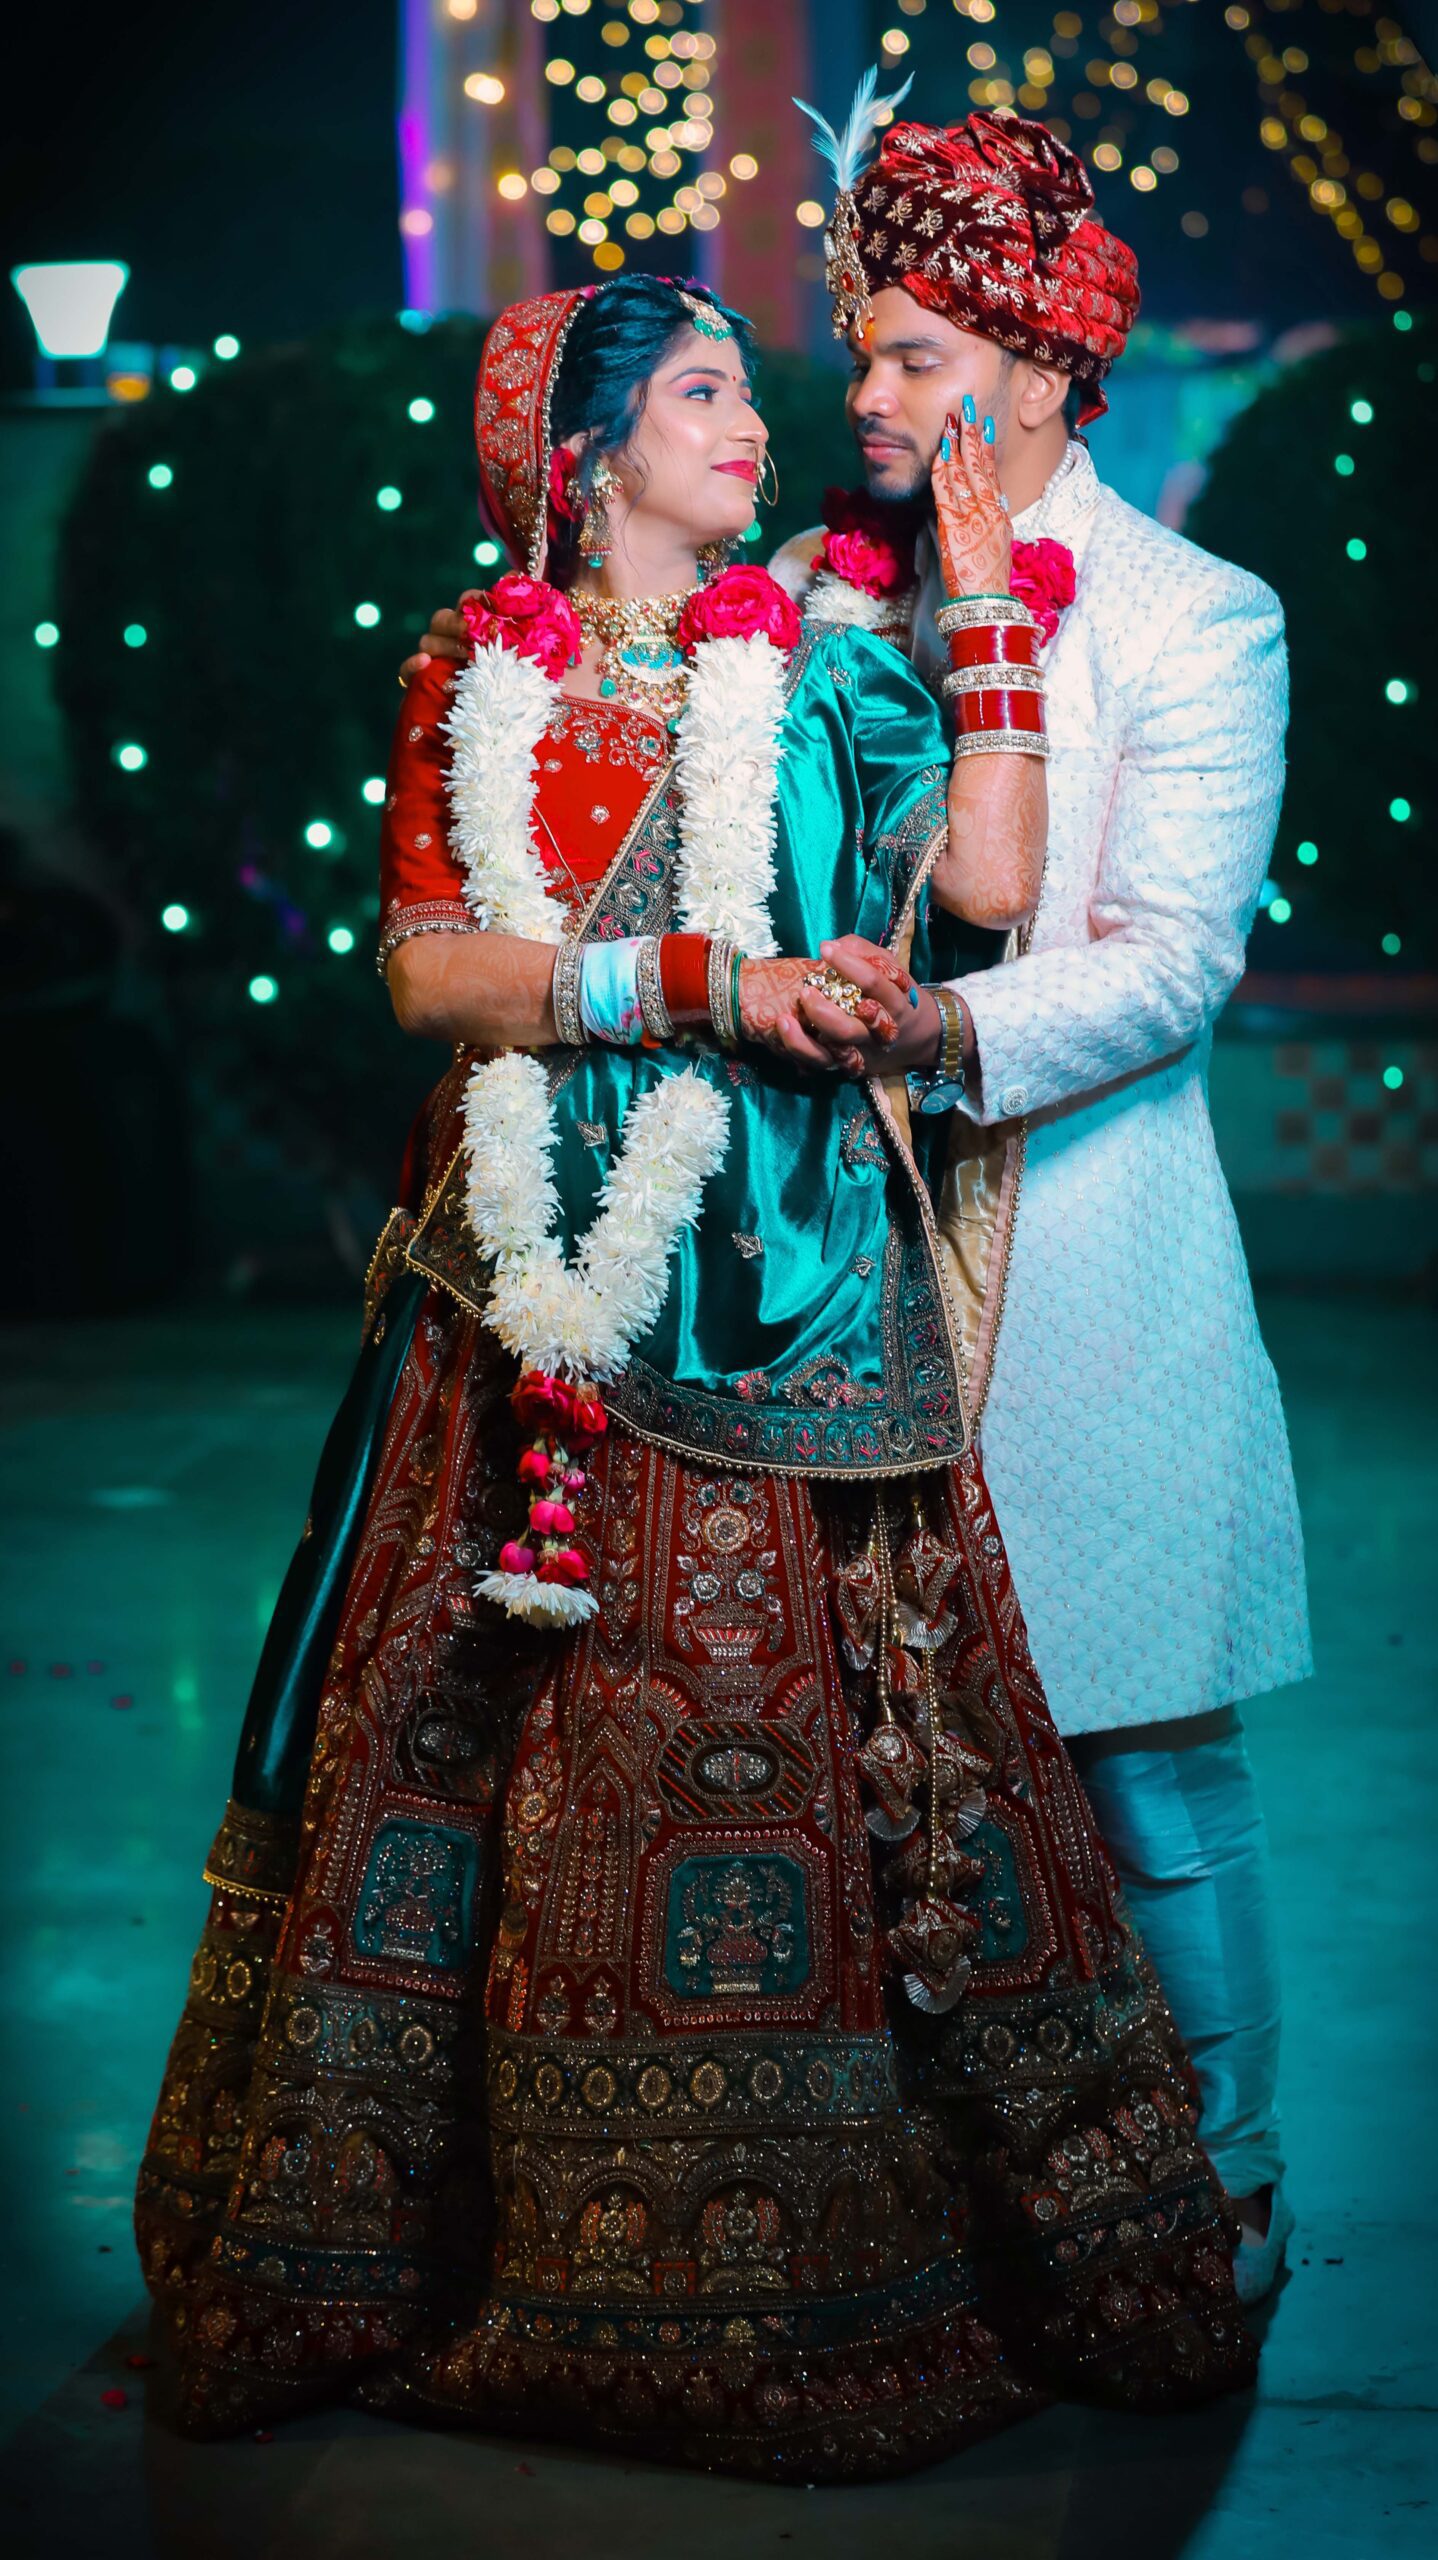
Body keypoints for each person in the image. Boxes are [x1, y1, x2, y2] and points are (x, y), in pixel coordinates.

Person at [137, 274, 1255, 2480]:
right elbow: (428, 973)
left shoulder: (822, 661)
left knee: (818, 1726)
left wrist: (976, 613)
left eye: (750, 386)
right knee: (480, 1727)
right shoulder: (474, 671)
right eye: (702, 390)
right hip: (527, 1290)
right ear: (584, 458)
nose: (757, 419)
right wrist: (696, 982)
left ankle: (854, 2234)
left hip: (791, 1277)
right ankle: (449, 2236)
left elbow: (993, 879)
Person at [411, 109, 1306, 2309]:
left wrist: (930, 1030)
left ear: (1036, 363)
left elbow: (1170, 962)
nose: (867, 396)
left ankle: (1223, 2174)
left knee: (1130, 1749)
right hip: (800, 1258)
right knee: (882, 1751)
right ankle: (971, 2201)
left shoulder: (1197, 618)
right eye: (864, 354)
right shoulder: (802, 589)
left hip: (1070, 1241)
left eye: (911, 356)